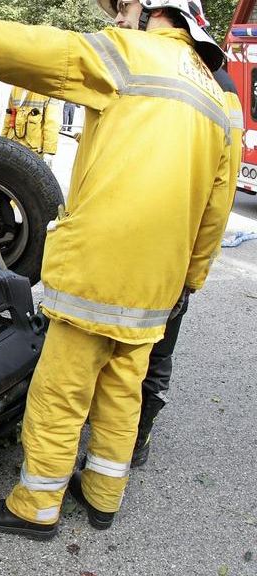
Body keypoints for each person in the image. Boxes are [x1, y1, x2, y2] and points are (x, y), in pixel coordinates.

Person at [0, 0, 237, 540]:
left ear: (154, 10)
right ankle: (104, 495)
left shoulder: (131, 55)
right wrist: (190, 280)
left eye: (126, 7)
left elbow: (33, 50)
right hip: (159, 280)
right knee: (122, 390)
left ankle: (36, 506)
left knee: (61, 392)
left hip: (101, 268)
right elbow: (215, 213)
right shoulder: (218, 100)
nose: (119, 17)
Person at [133, 62, 243, 468]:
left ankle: (135, 434)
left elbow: (218, 199)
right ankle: (130, 433)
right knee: (155, 346)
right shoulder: (216, 80)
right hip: (169, 241)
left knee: (152, 347)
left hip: (162, 242)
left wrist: (193, 275)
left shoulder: (204, 81)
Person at [2, 86, 61, 161]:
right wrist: (2, 140)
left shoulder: (48, 92)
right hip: (13, 145)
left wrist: (49, 152)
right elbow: (8, 117)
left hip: (33, 151)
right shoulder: (15, 89)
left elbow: (52, 124)